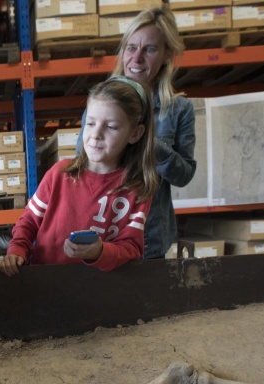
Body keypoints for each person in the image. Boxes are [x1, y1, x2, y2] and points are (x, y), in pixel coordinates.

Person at [0, 77, 159, 276]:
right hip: (45, 284)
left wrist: (100, 252)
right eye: (90, 123)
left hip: (99, 291)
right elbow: (29, 221)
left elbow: (132, 248)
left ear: (135, 134)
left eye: (111, 127)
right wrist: (17, 249)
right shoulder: (59, 174)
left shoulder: (137, 190)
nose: (96, 134)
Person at [76, 5, 196, 259]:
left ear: (167, 55)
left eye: (150, 49)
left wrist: (149, 142)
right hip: (99, 235)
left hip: (149, 239)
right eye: (131, 48)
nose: (137, 58)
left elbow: (184, 175)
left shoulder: (179, 109)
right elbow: (82, 164)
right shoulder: (101, 102)